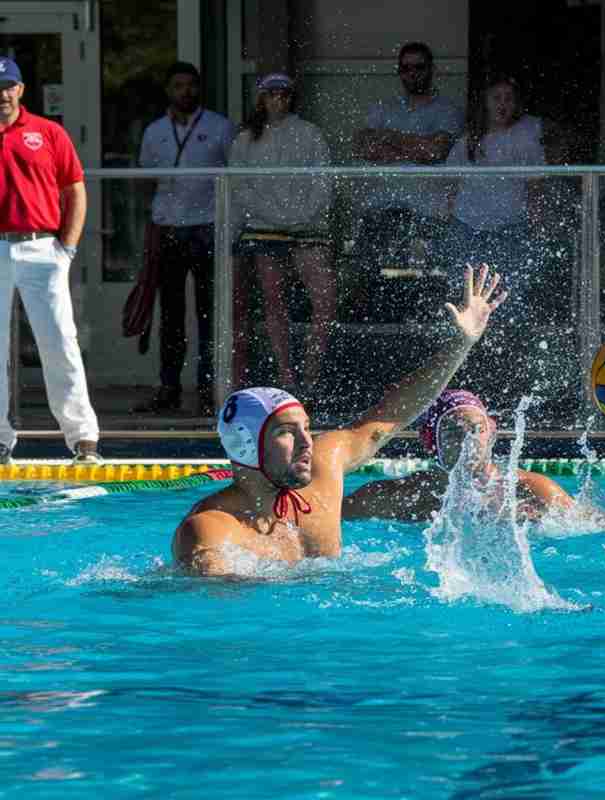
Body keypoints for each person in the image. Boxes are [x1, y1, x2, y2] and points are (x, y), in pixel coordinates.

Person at [171, 265, 507, 576]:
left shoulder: (323, 471)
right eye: (287, 432)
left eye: (306, 427)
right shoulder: (211, 529)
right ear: (247, 445)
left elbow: (387, 418)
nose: (307, 442)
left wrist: (460, 346)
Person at [0, 56, 101, 464]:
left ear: (20, 89)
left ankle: (83, 439)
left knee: (59, 341)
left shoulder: (48, 132)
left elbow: (75, 189)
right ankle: (0, 440)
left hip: (44, 248)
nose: (1, 94)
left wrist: (68, 248)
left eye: (7, 86)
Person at [440, 75, 549, 406]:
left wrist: (539, 225)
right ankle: (464, 374)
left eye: (508, 98)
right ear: (485, 104)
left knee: (508, 303)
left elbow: (535, 188)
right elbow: (451, 185)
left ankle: (507, 376)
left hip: (510, 229)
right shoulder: (468, 142)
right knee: (466, 300)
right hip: (468, 227)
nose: (502, 104)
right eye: (495, 98)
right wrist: (445, 222)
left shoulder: (526, 141)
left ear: (516, 105)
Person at [136, 61, 236, 414]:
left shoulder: (220, 126)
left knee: (209, 314)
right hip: (169, 228)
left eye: (191, 85)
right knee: (171, 315)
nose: (186, 92)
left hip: (208, 226)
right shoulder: (155, 131)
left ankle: (209, 388)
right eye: (179, 85)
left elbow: (234, 176)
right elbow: (145, 179)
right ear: (169, 90)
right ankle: (169, 387)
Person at [227, 73, 335, 394]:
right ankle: (287, 374)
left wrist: (300, 217)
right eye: (271, 94)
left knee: (324, 301)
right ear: (260, 98)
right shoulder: (245, 140)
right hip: (264, 228)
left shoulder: (310, 134)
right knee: (275, 302)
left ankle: (312, 373)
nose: (278, 100)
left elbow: (323, 182)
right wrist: (269, 218)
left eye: (284, 94)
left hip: (306, 228)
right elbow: (238, 187)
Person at [343, 388, 572, 522]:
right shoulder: (400, 496)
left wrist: (540, 522)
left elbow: (590, 524)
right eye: (453, 433)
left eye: (476, 430)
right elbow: (323, 517)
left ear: (491, 433)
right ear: (432, 443)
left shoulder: (530, 489)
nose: (467, 441)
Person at [351, 41, 464, 276]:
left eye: (419, 67)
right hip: (381, 211)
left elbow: (435, 152)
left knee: (422, 291)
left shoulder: (448, 109)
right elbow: (364, 147)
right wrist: (417, 147)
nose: (412, 73)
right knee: (370, 288)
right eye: (405, 68)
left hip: (428, 215)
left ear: (432, 69)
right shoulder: (384, 107)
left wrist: (390, 136)